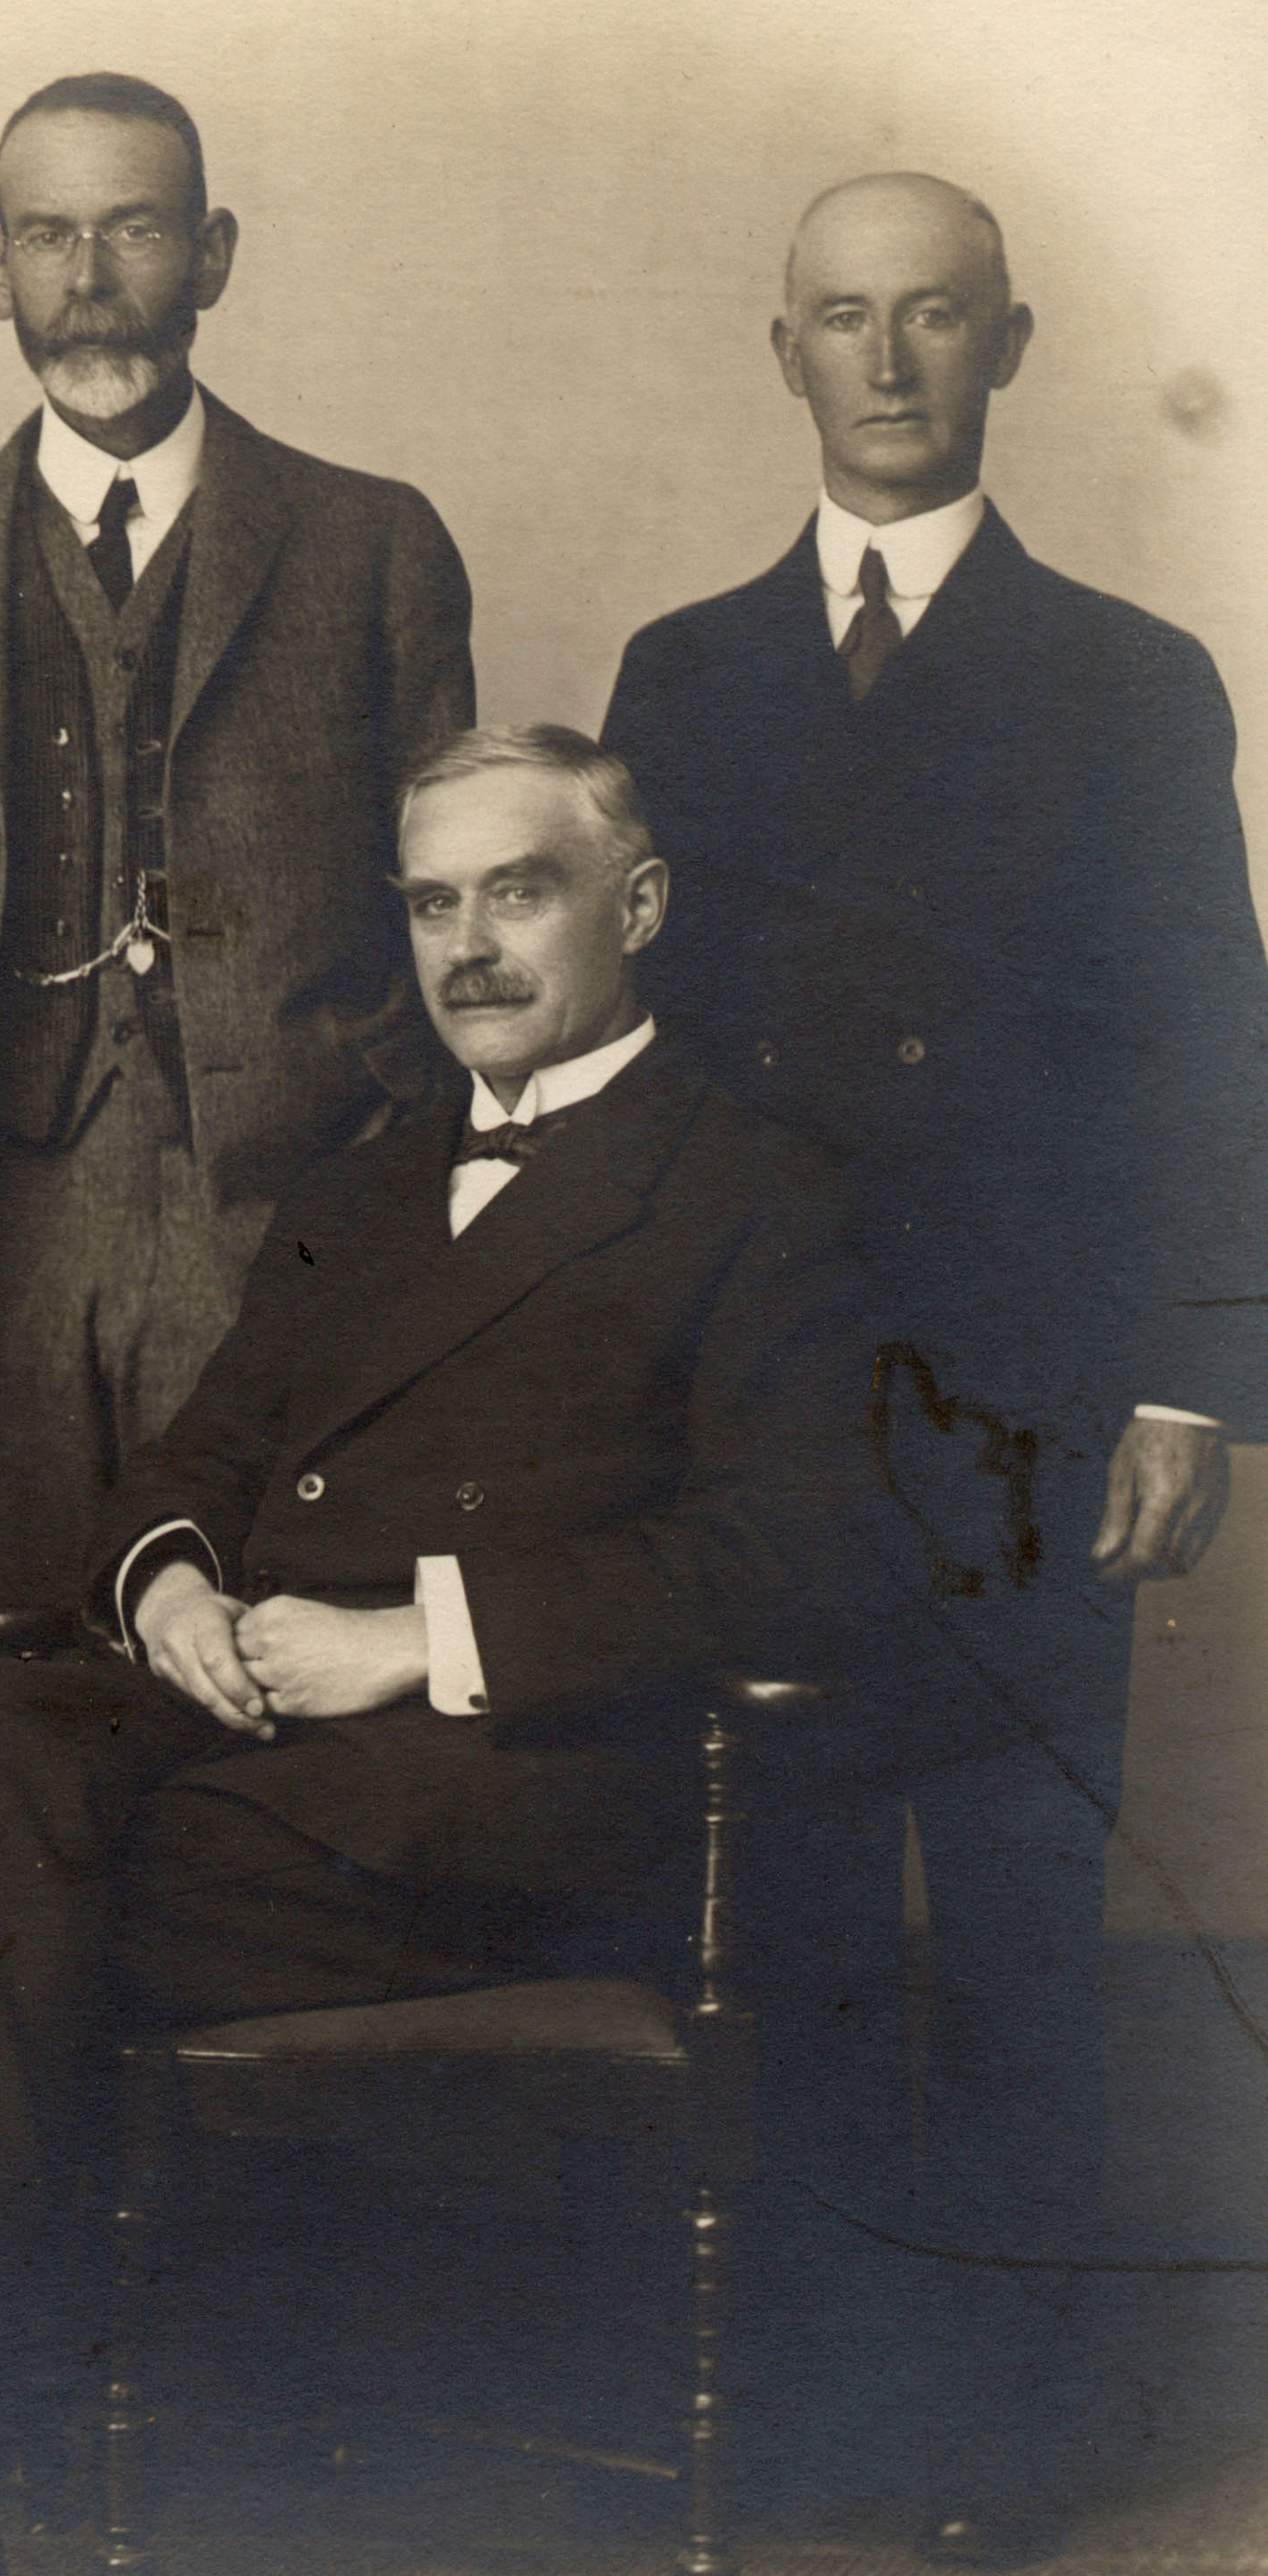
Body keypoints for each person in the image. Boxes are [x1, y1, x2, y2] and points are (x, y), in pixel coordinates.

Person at [0, 726, 861, 2574]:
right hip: (254, 1753)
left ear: (640, 904)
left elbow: (797, 1553)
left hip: (514, 1796)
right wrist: (172, 1589)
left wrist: (407, 1640)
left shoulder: (754, 1184)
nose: (465, 947)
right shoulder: (357, 1190)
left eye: (515, 891)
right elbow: (182, 1467)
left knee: (10, 1886)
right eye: (430, 903)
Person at [598, 172, 1268, 2563]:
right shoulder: (680, 678)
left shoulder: (1126, 671)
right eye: (842, 322)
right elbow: (631, 1059)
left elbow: (1214, 1045)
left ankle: (1004, 2457)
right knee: (768, 1929)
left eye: (934, 322)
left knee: (1004, 1936)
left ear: (1006, 345)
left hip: (1023, 1424)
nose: (886, 366)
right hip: (762, 1414)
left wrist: (1194, 1383)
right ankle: (793, 2437)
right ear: (776, 347)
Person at [0, 72, 474, 1643]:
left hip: (286, 1209)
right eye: (48, 237)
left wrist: (377, 1137)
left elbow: (457, 915)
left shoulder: (375, 546)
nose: (88, 283)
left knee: (269, 1666)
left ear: (213, 254)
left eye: (135, 231)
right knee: (7, 1685)